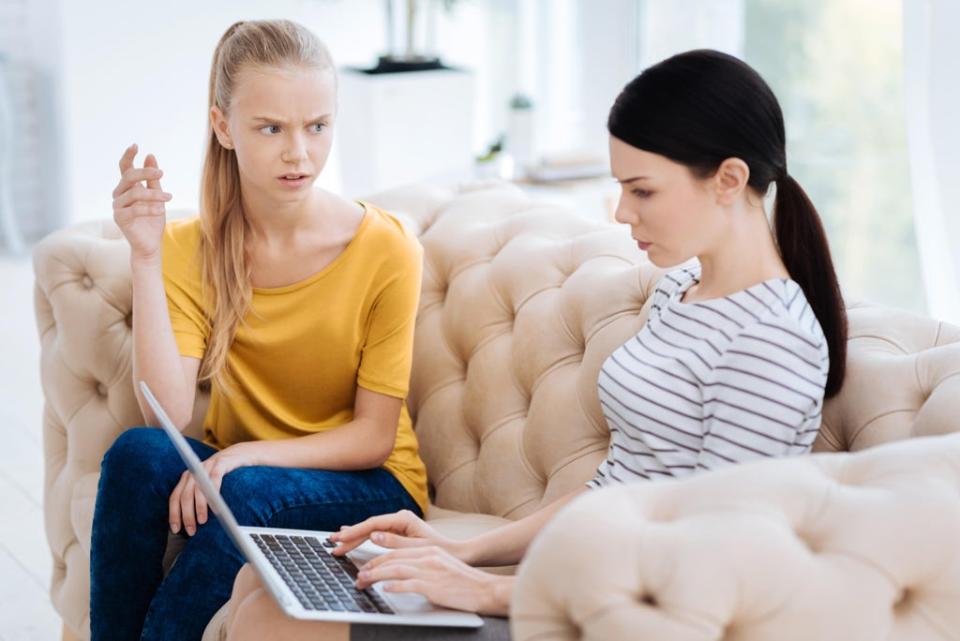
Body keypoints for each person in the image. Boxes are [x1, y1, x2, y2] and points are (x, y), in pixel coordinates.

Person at [222, 48, 848, 641]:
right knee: (259, 584)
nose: (622, 212)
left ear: (728, 179)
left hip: (617, 617)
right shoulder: (682, 288)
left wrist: (486, 592)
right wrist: (459, 550)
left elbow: (708, 563)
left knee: (280, 623)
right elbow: (616, 484)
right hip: (576, 581)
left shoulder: (772, 342)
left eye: (643, 189)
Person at [89, 20, 429, 641]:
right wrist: (144, 255)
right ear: (223, 127)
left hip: (367, 483)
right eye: (271, 128)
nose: (299, 153)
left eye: (317, 127)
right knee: (136, 456)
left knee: (244, 488)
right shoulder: (188, 247)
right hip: (247, 473)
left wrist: (246, 456)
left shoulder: (387, 248)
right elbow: (162, 411)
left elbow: (374, 437)